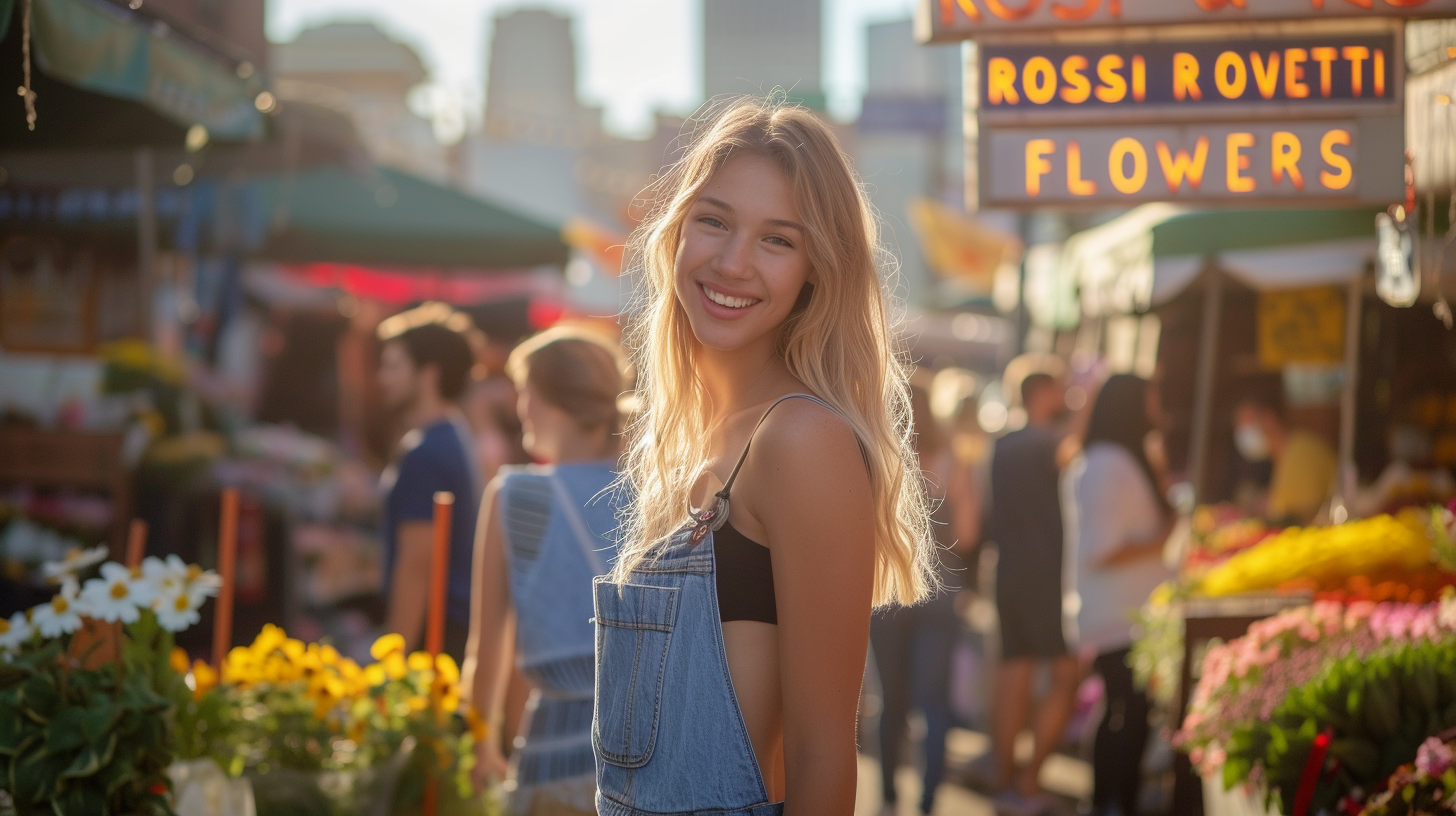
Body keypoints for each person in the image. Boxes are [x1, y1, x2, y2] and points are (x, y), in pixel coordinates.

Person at [597, 96, 939, 816]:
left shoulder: (800, 441)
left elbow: (824, 760)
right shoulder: (700, 436)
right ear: (676, 229)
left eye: (778, 240)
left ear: (817, 269)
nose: (732, 262)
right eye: (714, 221)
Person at [462, 326, 629, 816]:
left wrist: (480, 744)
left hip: (555, 753)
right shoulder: (659, 488)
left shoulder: (516, 496)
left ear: (543, 399)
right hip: (654, 746)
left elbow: (487, 647)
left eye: (523, 393)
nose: (518, 409)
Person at [1063, 374, 1175, 816]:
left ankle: (1109, 801)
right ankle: (1112, 802)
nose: (1155, 407)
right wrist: (1164, 535)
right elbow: (1101, 549)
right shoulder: (1107, 464)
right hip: (1119, 615)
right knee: (1126, 712)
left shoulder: (1109, 460)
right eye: (1149, 399)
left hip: (1123, 611)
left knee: (1122, 710)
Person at [986, 369, 1081, 816]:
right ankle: (1028, 782)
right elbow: (1078, 448)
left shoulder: (1002, 445)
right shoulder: (1051, 441)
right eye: (1061, 386)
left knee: (1013, 672)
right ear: (1042, 392)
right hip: (1047, 575)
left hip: (1008, 571)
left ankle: (1004, 777)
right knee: (1066, 673)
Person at [872, 384, 968, 816]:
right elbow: (970, 528)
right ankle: (929, 797)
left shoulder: (876, 458)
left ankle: (888, 794)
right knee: (934, 700)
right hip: (940, 586)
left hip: (887, 588)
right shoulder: (953, 461)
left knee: (890, 700)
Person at [376, 302, 483, 661]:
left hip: (431, 642)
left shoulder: (424, 453)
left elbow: (416, 566)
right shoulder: (453, 435)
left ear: (428, 375)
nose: (381, 378)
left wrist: (392, 666)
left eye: (393, 367)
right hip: (447, 636)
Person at [1232, 391, 1338, 524]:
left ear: (1269, 418)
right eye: (1239, 427)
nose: (1244, 433)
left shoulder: (1301, 454)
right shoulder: (1287, 454)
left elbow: (1303, 516)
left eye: (1248, 423)